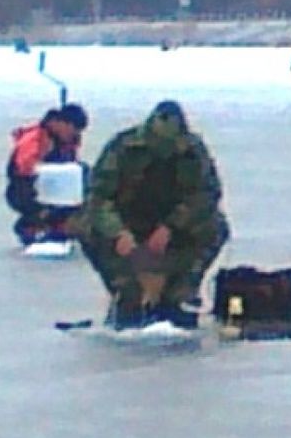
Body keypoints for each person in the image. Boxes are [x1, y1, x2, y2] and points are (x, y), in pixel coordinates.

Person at [77, 100, 230, 329]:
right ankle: (125, 292)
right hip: (126, 221)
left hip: (171, 224)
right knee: (87, 226)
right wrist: (117, 231)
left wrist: (171, 226)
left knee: (214, 226)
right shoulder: (123, 147)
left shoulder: (192, 150)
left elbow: (206, 195)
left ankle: (180, 292)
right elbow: (98, 197)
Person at [4, 102, 89, 245]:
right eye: (74, 130)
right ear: (63, 124)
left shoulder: (68, 141)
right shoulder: (34, 139)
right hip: (24, 190)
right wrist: (45, 163)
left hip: (57, 189)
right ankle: (31, 227)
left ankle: (60, 229)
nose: (74, 135)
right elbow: (24, 169)